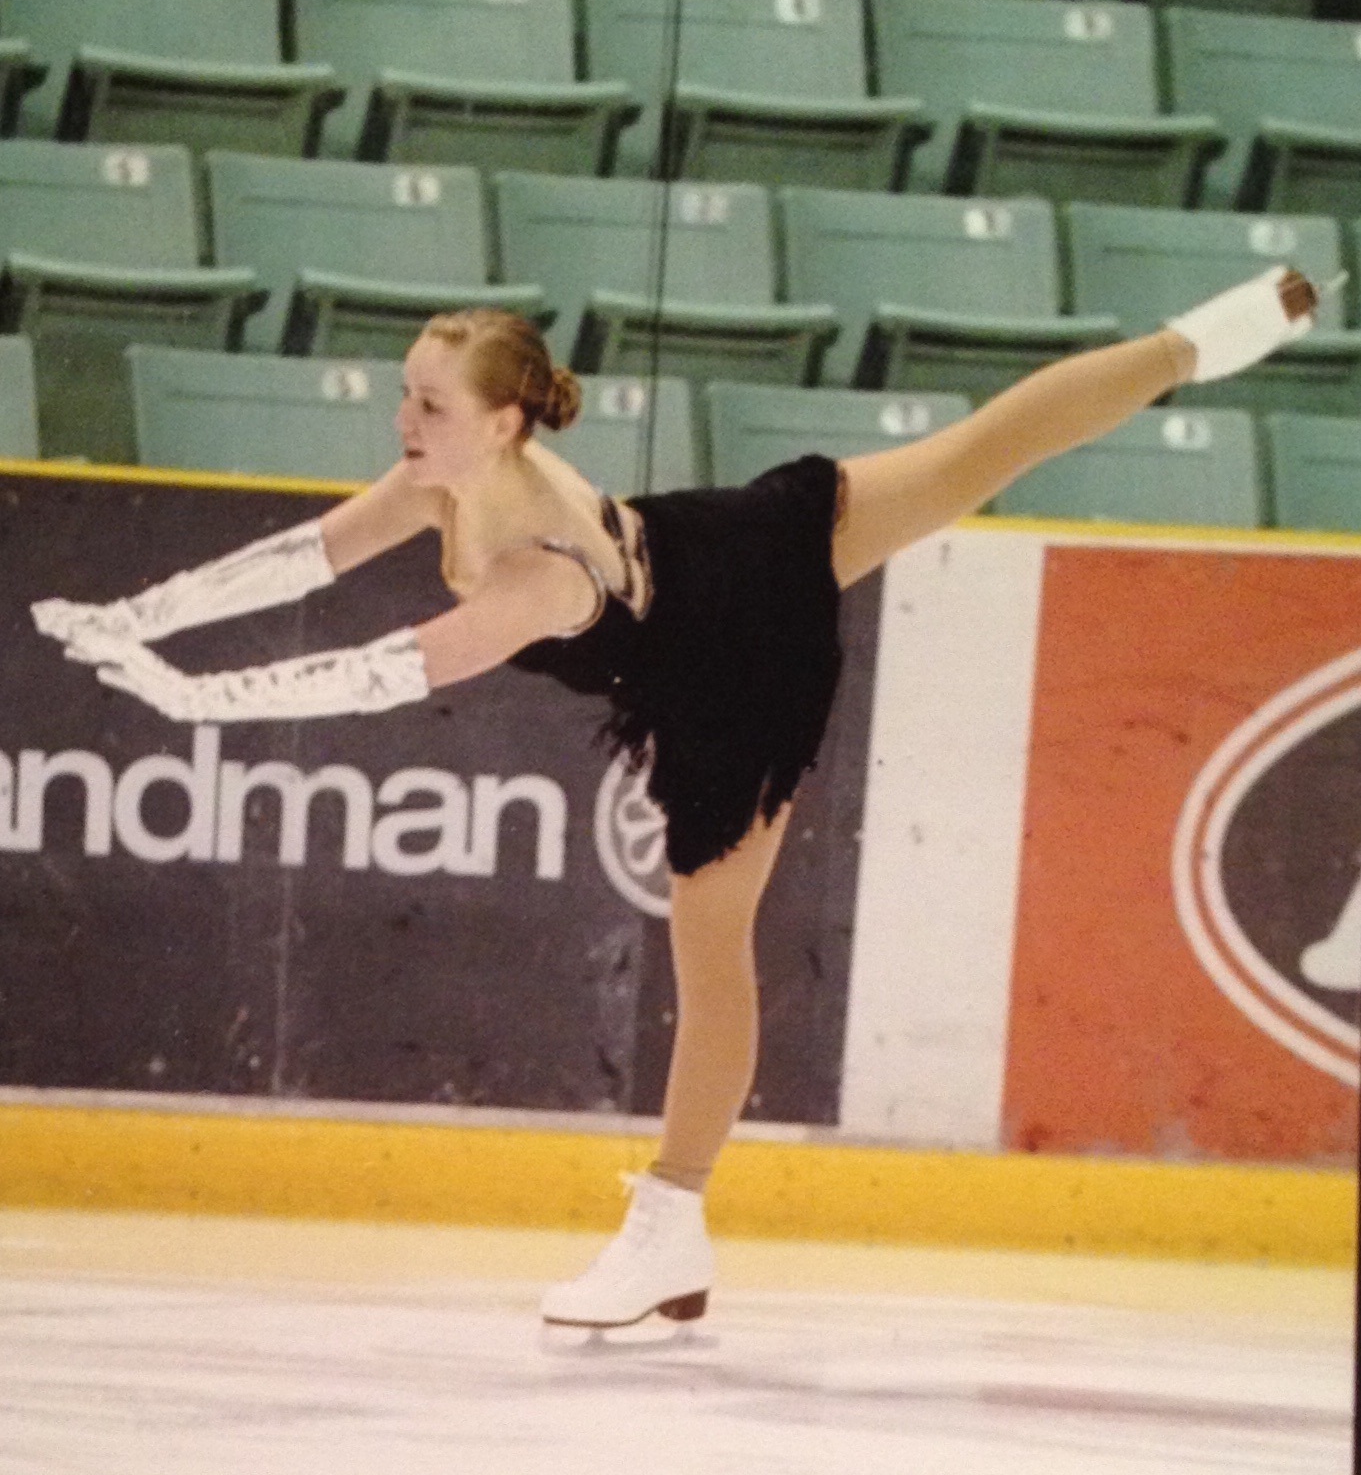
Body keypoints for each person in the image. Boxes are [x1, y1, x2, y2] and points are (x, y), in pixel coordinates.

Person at [32, 267, 1321, 1329]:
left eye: (426, 404)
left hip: (735, 664)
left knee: (711, 942)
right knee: (973, 456)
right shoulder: (442, 470)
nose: (403, 421)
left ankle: (668, 1224)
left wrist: (188, 700)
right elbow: (304, 555)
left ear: (504, 426)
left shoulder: (537, 568)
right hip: (717, 547)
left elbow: (384, 673)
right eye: (405, 397)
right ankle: (678, 1238)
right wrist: (132, 620)